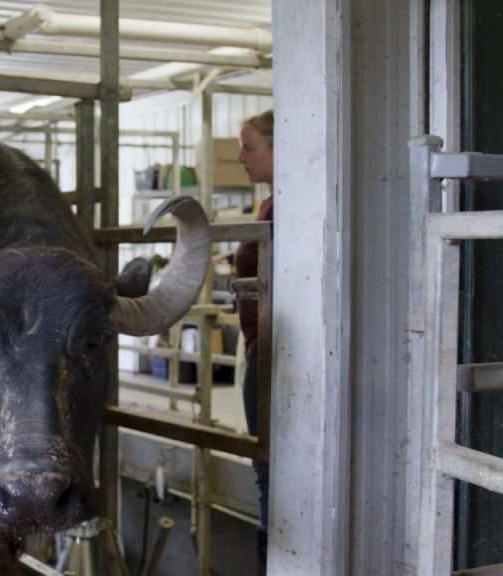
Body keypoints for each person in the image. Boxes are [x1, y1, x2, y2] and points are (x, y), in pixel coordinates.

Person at [234, 109, 274, 570]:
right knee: (264, 466)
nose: (241, 157)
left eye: (250, 146)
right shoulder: (268, 204)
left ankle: (274, 560)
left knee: (267, 465)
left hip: (271, 351)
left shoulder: (285, 205)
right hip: (261, 346)